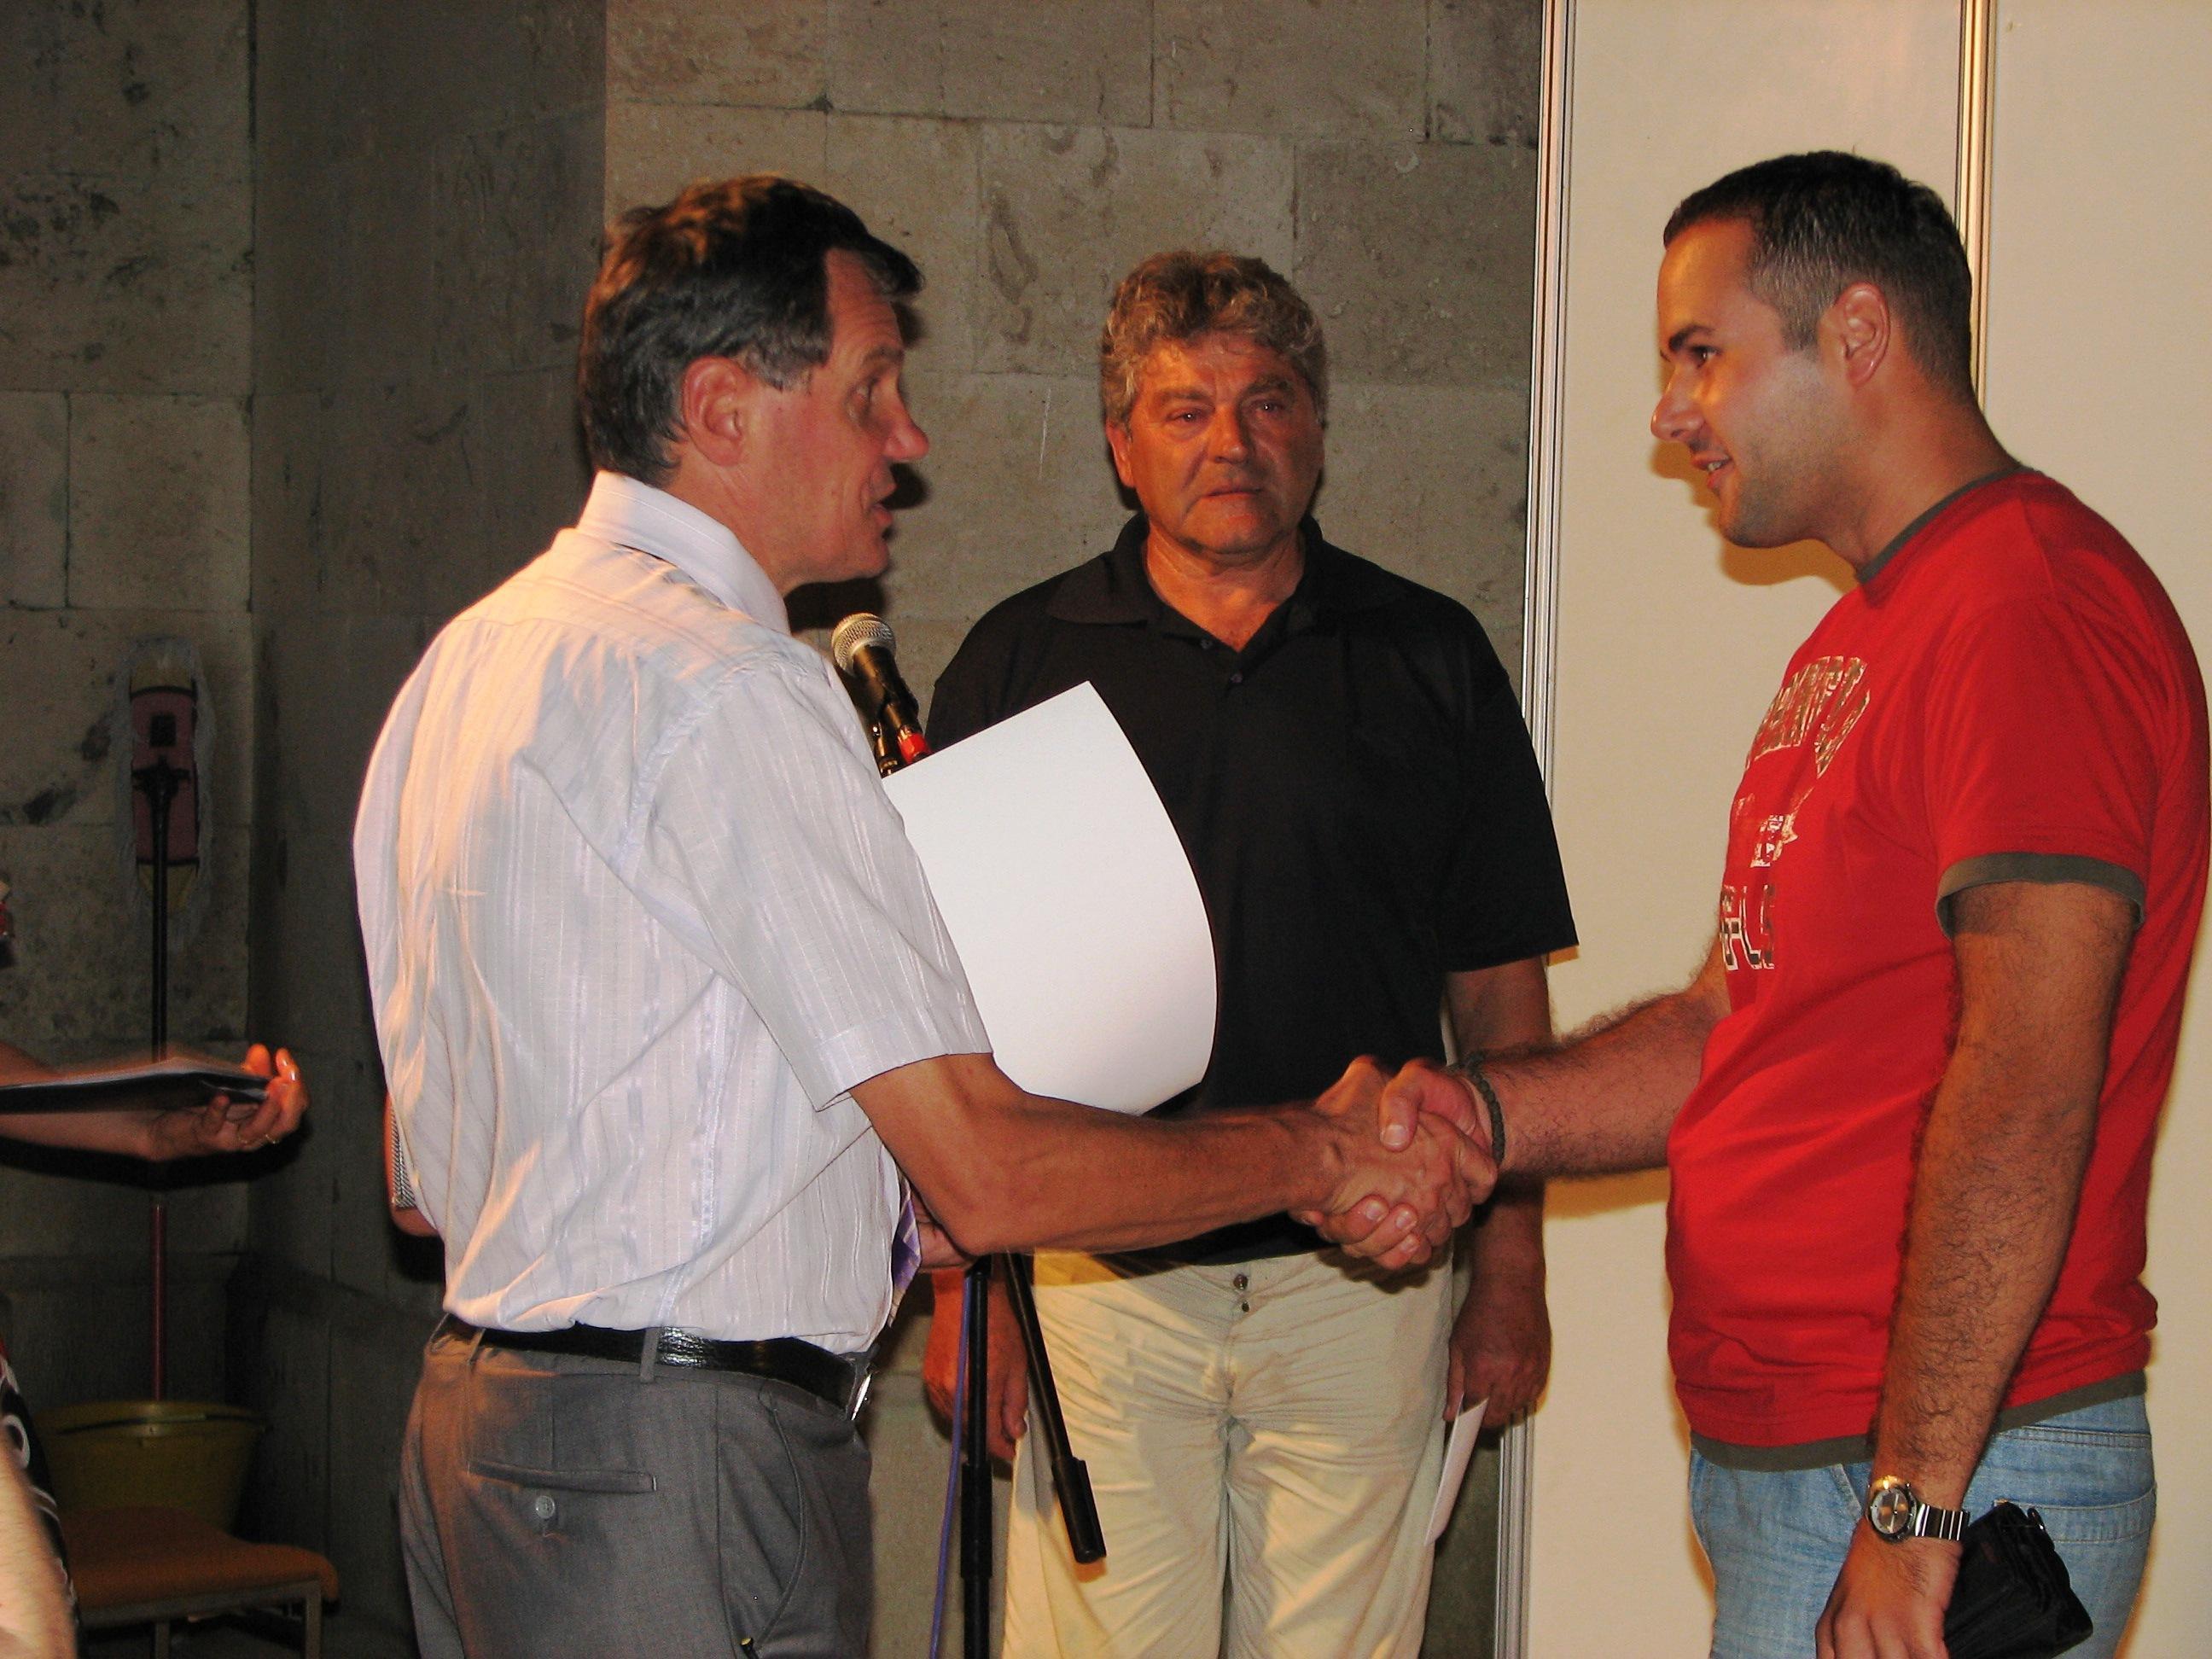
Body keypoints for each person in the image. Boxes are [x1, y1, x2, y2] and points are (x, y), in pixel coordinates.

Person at [354, 177, 1491, 1659]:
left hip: (487, 1436)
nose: (910, 439)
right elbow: (991, 1171)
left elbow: (422, 1180)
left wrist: (871, 1209)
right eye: (871, 389)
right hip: (671, 1465)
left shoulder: (470, 660)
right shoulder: (730, 688)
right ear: (721, 408)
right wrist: (1327, 1149)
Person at [1333, 151, 2206, 1659]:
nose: (1671, 413)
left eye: (1701, 353)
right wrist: (1481, 1116)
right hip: (1820, 1465)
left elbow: (2026, 1076)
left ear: (1858, 334)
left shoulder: (2028, 611)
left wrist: (1916, 1511)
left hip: (1944, 1476)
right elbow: (1733, 1023)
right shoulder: (1864, 638)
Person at [919, 250, 1575, 1657]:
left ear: (1319, 431)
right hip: (1098, 1278)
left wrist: (1511, 1270)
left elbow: (1501, 994)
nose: (1232, 442)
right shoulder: (1018, 663)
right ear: (1121, 445)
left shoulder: (1429, 656)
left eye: (1268, 402)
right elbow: (949, 1014)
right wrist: (970, 1294)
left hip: (1367, 1276)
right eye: (1185, 409)